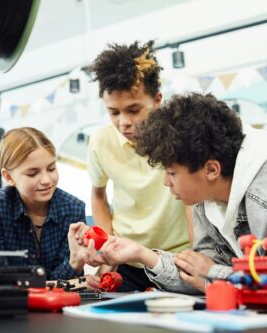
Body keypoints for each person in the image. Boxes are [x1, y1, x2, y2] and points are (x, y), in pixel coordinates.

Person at [80, 93, 267, 294]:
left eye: (172, 173)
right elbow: (198, 274)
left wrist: (213, 273)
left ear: (211, 169)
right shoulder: (206, 198)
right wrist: (141, 254)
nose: (166, 183)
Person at [82, 40, 192, 291]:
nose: (123, 123)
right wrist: (106, 246)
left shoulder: (181, 136)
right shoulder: (100, 141)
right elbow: (98, 194)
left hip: (175, 257)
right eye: (114, 112)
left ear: (157, 100)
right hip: (126, 260)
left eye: (133, 110)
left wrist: (198, 253)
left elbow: (191, 201)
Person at [0, 127, 87, 281]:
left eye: (51, 168)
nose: (46, 180)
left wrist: (75, 264)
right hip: (11, 302)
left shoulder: (74, 209)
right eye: (32, 173)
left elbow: (73, 281)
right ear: (9, 177)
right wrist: (70, 267)